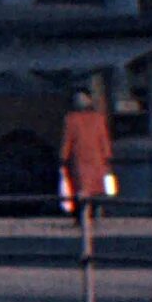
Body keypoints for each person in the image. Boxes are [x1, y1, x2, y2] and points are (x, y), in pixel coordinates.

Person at [57, 82, 115, 214]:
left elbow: (67, 140)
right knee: (97, 191)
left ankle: (83, 218)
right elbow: (103, 139)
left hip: (79, 160)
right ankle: (96, 214)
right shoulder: (98, 118)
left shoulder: (71, 119)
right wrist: (107, 157)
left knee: (81, 191)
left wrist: (63, 158)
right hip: (97, 161)